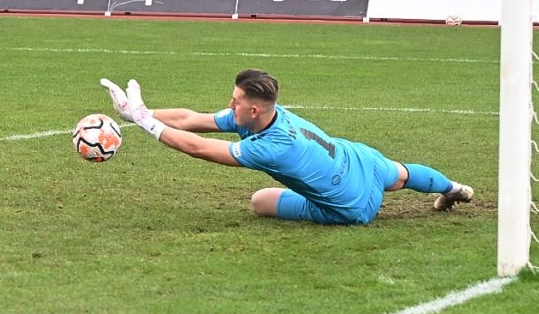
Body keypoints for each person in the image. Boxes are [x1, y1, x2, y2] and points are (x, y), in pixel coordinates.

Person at [99, 68, 475, 224]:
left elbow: (199, 147)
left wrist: (146, 123)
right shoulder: (263, 115)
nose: (229, 105)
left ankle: (445, 191)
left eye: (235, 101)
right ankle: (452, 189)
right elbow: (192, 119)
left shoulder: (271, 146)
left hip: (351, 206)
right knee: (401, 174)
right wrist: (139, 112)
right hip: (359, 160)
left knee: (260, 200)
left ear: (254, 108)